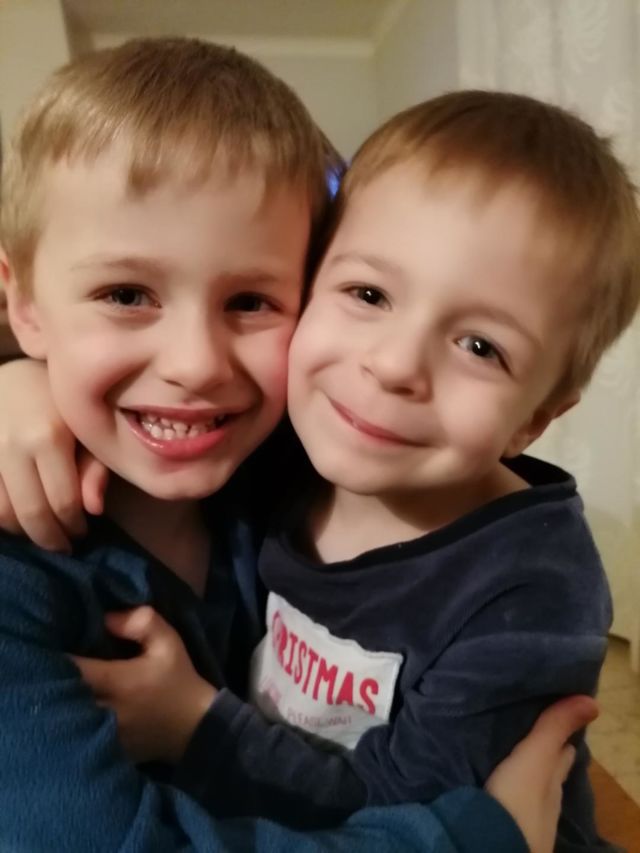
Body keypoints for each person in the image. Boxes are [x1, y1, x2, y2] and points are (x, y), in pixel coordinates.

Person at [1, 84, 636, 850]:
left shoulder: (530, 591)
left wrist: (199, 724)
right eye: (368, 293)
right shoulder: (286, 451)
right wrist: (21, 378)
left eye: (480, 346)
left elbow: (424, 813)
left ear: (536, 418)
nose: (394, 365)